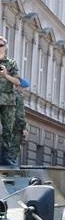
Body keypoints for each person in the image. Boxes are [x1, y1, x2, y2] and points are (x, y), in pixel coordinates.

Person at [0, 36, 21, 168]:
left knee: (7, 130)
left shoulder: (11, 63)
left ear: (5, 47)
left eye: (1, 45)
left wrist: (6, 75)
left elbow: (18, 82)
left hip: (7, 100)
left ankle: (4, 157)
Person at [8, 78, 30, 167]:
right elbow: (19, 114)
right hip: (16, 128)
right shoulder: (18, 97)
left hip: (9, 126)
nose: (25, 90)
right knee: (14, 150)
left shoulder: (10, 95)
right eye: (24, 88)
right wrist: (23, 128)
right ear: (20, 87)